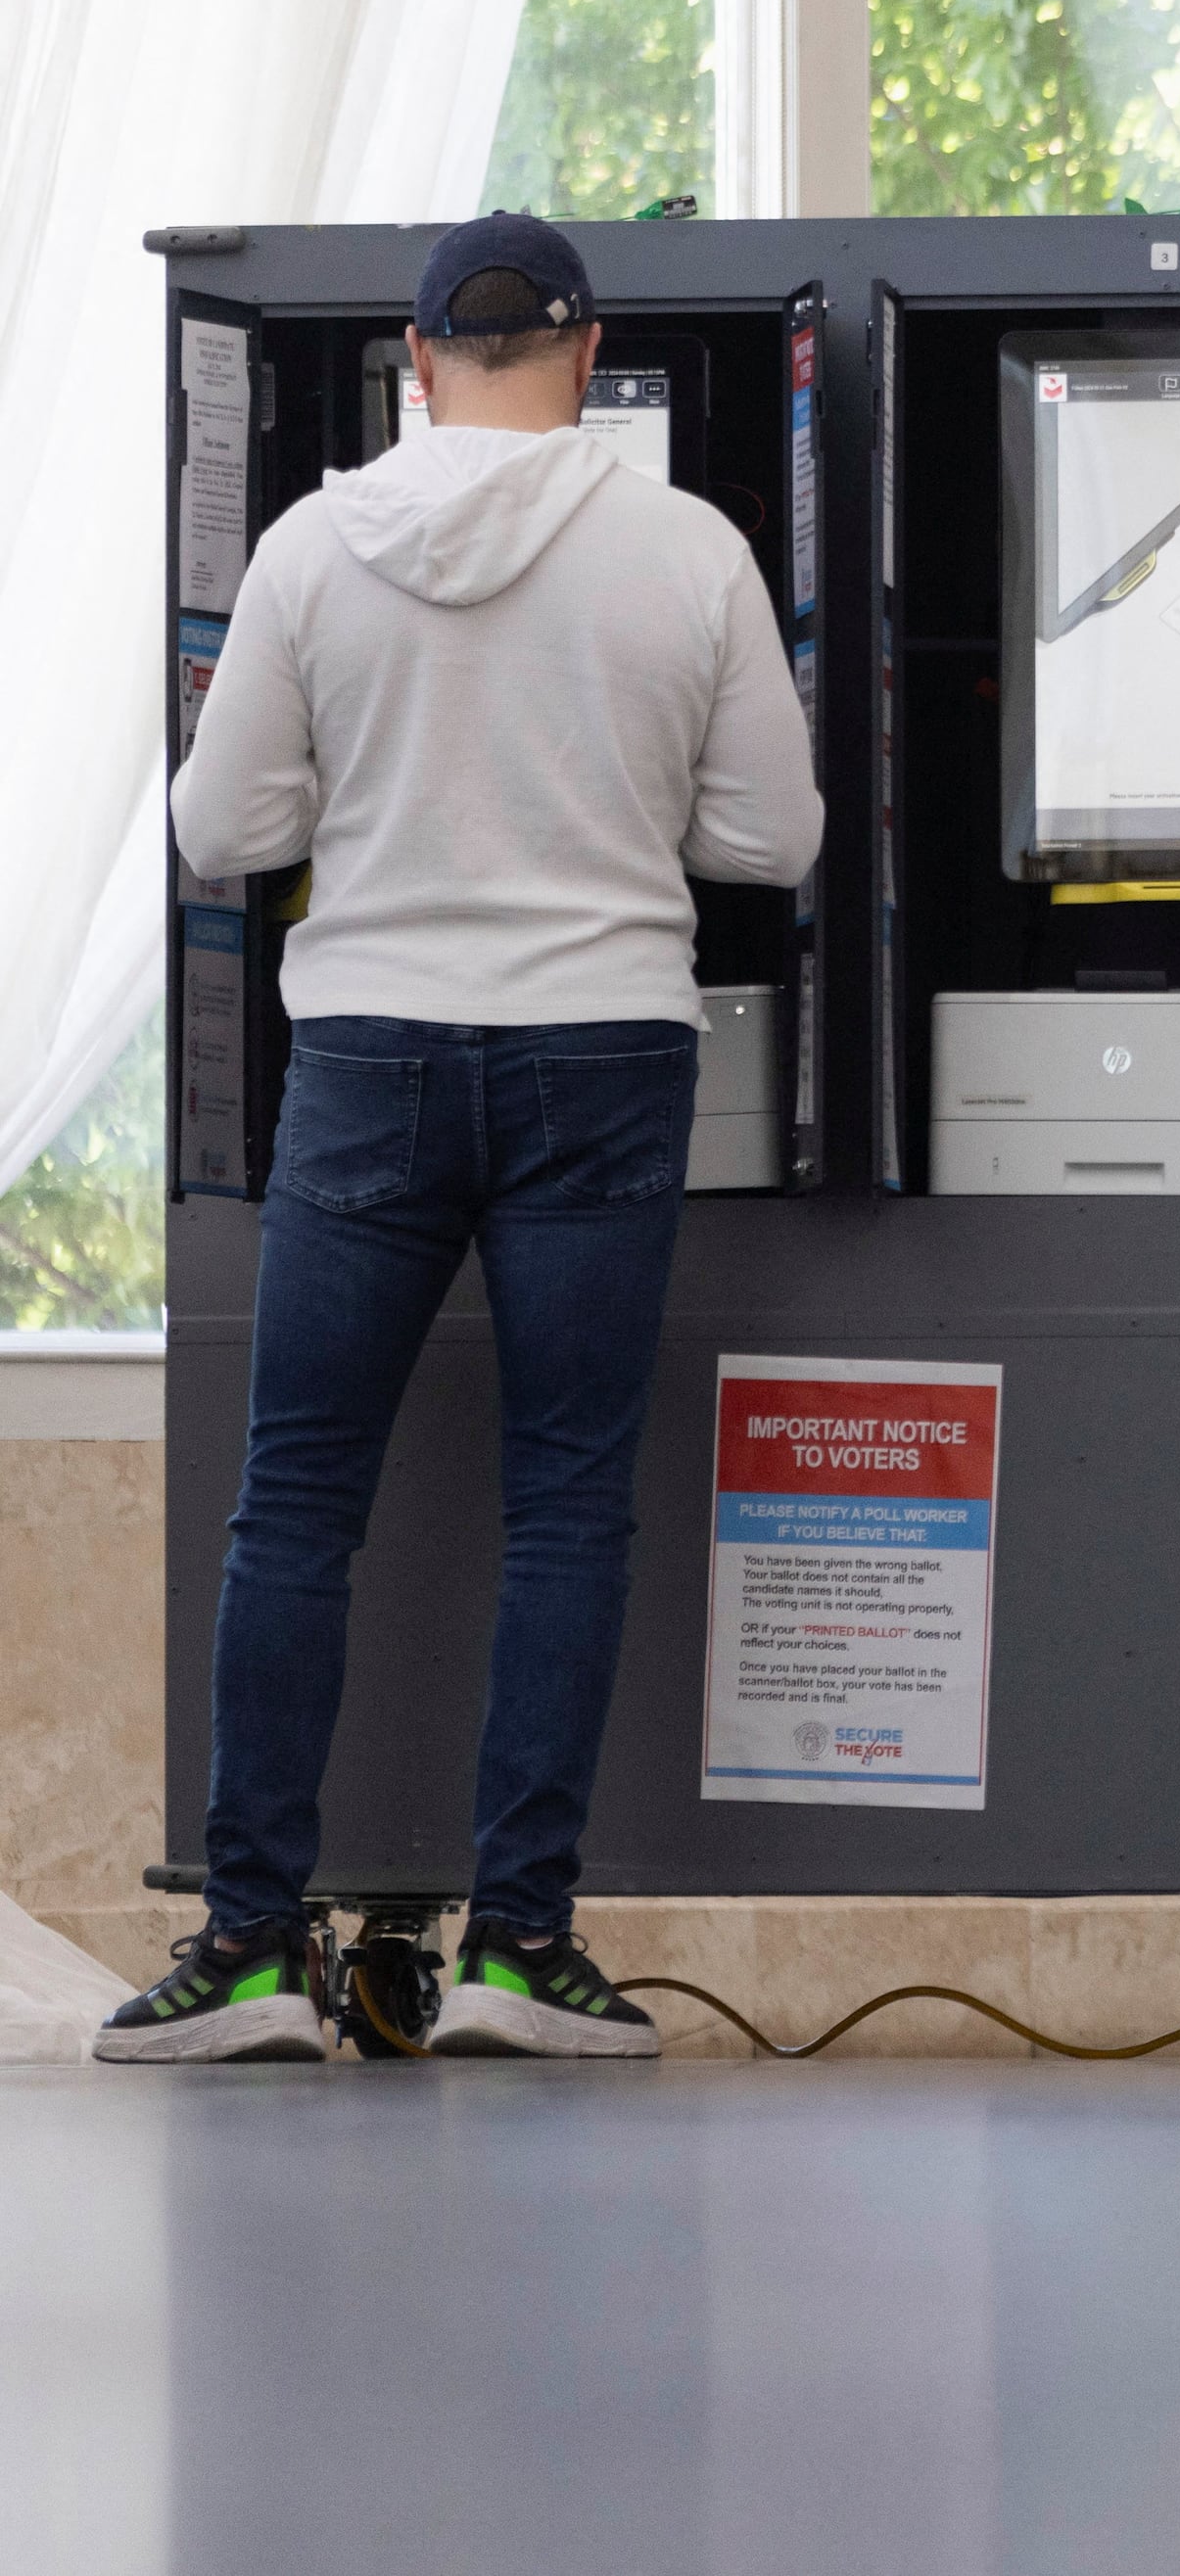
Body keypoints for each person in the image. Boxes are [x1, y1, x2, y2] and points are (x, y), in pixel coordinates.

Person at [99, 216, 824, 2065]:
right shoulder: (690, 550)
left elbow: (221, 824)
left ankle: (255, 1946)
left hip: (371, 1058)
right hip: (601, 1056)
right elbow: (775, 838)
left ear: (417, 365)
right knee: (569, 1505)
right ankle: (521, 1946)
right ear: (589, 360)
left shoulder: (312, 545)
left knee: (300, 1504)